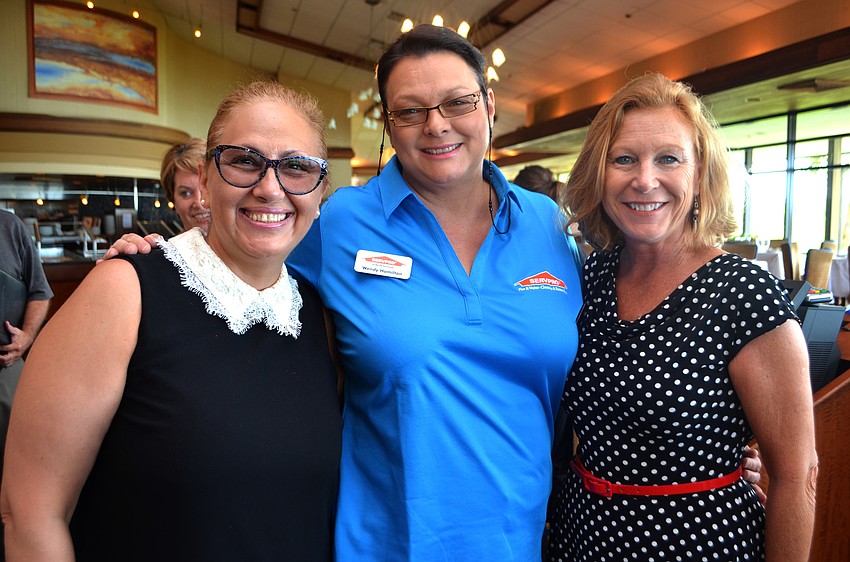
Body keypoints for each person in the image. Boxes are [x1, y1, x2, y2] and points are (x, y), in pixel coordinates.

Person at [100, 29, 765, 561]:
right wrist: (163, 261)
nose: (436, 125)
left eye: (456, 103)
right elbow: (245, 269)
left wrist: (719, 445)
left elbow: (607, 356)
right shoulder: (340, 222)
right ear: (388, 125)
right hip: (385, 543)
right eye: (410, 111)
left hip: (535, 538)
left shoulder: (547, 225)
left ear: (489, 109)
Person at [0, 81, 341, 561]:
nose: (270, 188)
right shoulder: (124, 291)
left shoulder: (315, 315)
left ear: (320, 189)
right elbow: (30, 513)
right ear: (205, 178)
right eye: (244, 161)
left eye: (296, 167)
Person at [547, 72, 817, 561]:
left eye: (668, 158)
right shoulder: (590, 278)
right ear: (599, 174)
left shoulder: (743, 293)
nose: (644, 179)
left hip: (696, 543)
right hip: (583, 535)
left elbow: (798, 477)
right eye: (624, 159)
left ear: (699, 176)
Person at [0, 210, 53, 561]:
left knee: (21, 486)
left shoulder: (9, 227)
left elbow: (40, 291)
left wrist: (27, 337)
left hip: (5, 370)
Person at [160, 137, 211, 233]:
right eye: (186, 193)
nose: (199, 203)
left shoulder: (246, 243)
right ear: (173, 200)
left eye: (207, 188)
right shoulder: (167, 248)